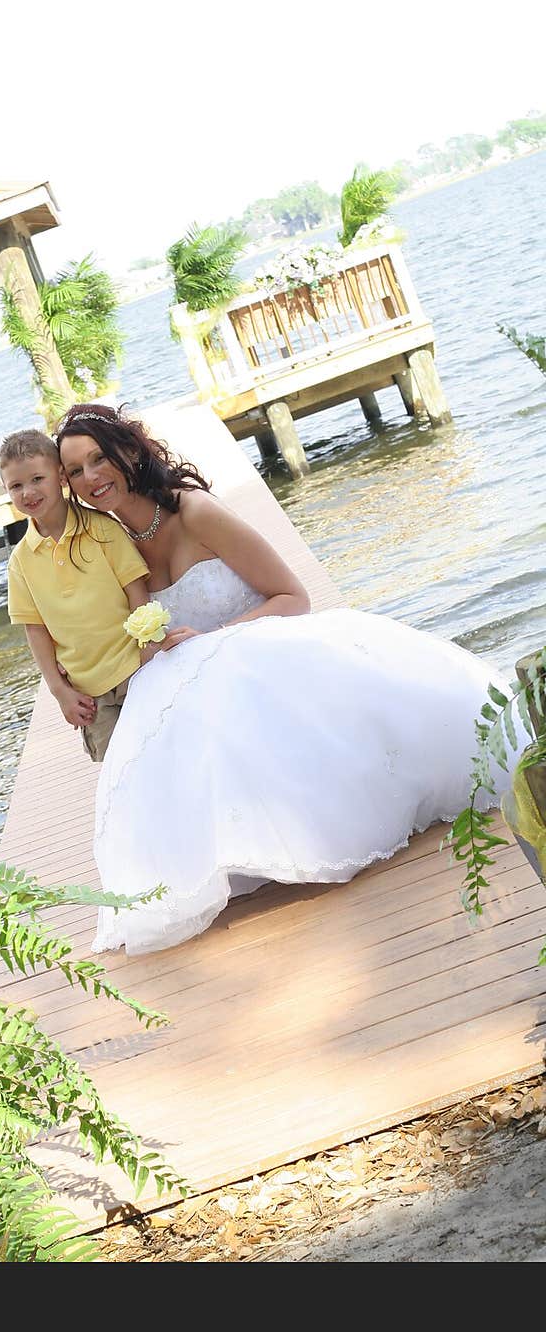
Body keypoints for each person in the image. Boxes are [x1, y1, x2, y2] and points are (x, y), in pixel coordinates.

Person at [56, 403, 518, 956]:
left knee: (232, 684)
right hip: (194, 676)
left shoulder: (197, 513)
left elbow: (293, 596)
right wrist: (66, 675)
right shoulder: (108, 544)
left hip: (258, 649)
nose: (90, 478)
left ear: (130, 452)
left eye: (99, 459)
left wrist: (215, 639)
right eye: (75, 471)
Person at [0, 428, 161, 761]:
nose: (28, 492)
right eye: (16, 486)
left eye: (37, 479)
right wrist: (60, 691)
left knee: (160, 751)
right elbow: (35, 629)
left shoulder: (102, 529)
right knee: (121, 771)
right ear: (6, 490)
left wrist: (149, 648)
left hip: (136, 670)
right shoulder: (20, 562)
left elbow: (135, 590)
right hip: (89, 695)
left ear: (60, 476)